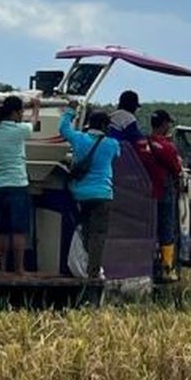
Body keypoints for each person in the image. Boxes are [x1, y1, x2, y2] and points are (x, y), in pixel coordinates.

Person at [59, 107, 122, 279]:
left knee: (85, 231)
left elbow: (63, 129)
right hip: (102, 194)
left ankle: (83, 265)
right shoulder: (112, 144)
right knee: (98, 234)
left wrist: (70, 111)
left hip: (80, 194)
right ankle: (93, 272)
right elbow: (117, 154)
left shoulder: (79, 139)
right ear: (103, 125)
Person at [0, 96, 33, 276]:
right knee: (19, 230)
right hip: (18, 184)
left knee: (2, 231)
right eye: (21, 111)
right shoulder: (19, 130)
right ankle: (19, 268)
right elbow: (33, 126)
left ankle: (2, 268)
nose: (22, 115)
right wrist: (35, 108)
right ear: (14, 112)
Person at [147, 109, 184, 282]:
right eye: (168, 123)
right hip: (164, 190)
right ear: (163, 124)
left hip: (147, 192)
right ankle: (167, 267)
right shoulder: (166, 146)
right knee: (167, 229)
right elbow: (177, 168)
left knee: (150, 228)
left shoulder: (144, 142)